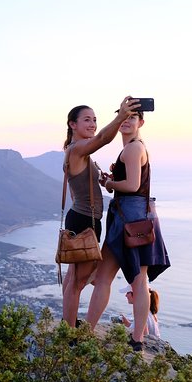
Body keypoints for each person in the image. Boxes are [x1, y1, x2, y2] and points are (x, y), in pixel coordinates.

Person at [84, 108, 170, 350]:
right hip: (133, 217)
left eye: (132, 117)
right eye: (124, 116)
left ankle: (134, 337)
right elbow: (132, 184)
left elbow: (132, 185)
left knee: (133, 280)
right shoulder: (134, 147)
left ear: (141, 121)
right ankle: (134, 338)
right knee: (110, 278)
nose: (127, 121)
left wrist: (109, 183)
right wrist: (112, 182)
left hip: (130, 219)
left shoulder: (133, 148)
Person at [61, 97, 140, 327]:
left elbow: (77, 191)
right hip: (85, 220)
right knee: (78, 281)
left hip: (81, 217)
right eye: (87, 119)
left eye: (95, 119)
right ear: (72, 124)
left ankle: (68, 324)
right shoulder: (77, 149)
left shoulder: (78, 152)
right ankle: (69, 332)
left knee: (73, 277)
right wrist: (122, 116)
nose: (93, 124)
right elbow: (104, 138)